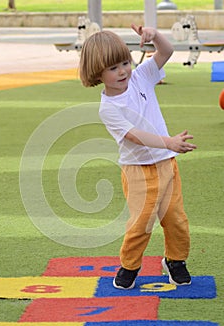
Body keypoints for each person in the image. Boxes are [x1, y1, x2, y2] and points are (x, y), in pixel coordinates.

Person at [79, 25, 197, 289]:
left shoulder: (141, 77)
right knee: (141, 222)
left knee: (175, 218)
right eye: (113, 68)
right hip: (137, 171)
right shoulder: (108, 108)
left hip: (167, 164)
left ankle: (175, 261)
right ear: (96, 72)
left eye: (124, 62)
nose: (122, 71)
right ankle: (130, 266)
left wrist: (154, 36)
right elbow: (135, 135)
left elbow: (167, 51)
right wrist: (169, 142)